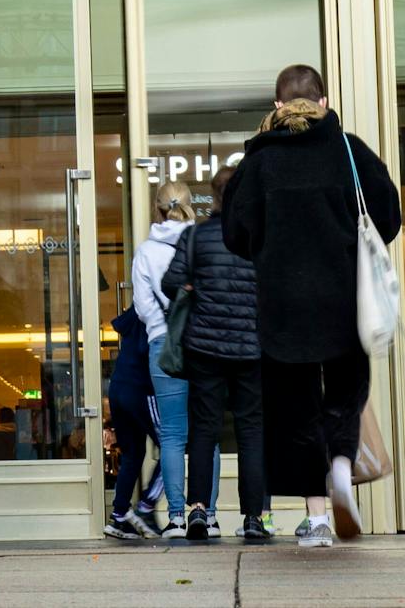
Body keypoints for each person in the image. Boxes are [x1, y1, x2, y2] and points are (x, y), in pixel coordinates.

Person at [223, 64, 400, 550]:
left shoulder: (258, 162)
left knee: (295, 409)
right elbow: (388, 215)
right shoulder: (349, 150)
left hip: (282, 304)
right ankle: (342, 464)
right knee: (346, 390)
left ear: (277, 107)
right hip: (345, 297)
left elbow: (234, 234)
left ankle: (317, 518)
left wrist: (273, 245)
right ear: (323, 102)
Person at [162, 164, 267, 544]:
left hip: (204, 347)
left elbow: (170, 281)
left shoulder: (196, 236)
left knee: (203, 431)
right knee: (251, 430)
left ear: (214, 195)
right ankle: (254, 516)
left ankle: (198, 511)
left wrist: (194, 283)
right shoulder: (258, 236)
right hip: (250, 347)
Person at [130, 184, 208, 540]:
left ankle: (177, 517)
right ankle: (208, 514)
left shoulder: (146, 252)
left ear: (157, 209)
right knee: (207, 434)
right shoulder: (201, 243)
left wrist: (164, 322)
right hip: (203, 343)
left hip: (163, 344)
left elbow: (144, 309)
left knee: (173, 436)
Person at [102, 300, 164, 541]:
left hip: (118, 389)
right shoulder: (153, 313)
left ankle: (119, 516)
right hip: (142, 389)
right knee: (172, 447)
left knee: (133, 453)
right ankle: (146, 507)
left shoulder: (134, 315)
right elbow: (149, 352)